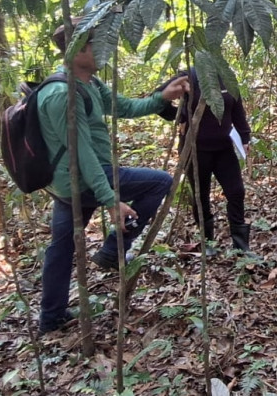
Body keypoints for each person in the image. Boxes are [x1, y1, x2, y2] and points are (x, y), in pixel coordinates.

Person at [37, 18, 189, 334]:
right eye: (99, 43)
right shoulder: (62, 94)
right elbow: (81, 153)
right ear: (78, 48)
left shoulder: (89, 83)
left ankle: (51, 318)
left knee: (60, 248)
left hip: (72, 182)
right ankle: (111, 250)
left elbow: (123, 107)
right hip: (85, 178)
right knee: (160, 181)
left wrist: (163, 97)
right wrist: (110, 199)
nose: (106, 49)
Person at [158, 67, 254, 256]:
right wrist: (181, 116)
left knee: (236, 192)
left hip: (224, 148)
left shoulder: (226, 75)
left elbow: (237, 108)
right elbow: (159, 98)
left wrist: (245, 137)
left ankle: (241, 246)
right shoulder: (190, 75)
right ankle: (207, 241)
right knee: (201, 196)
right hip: (195, 150)